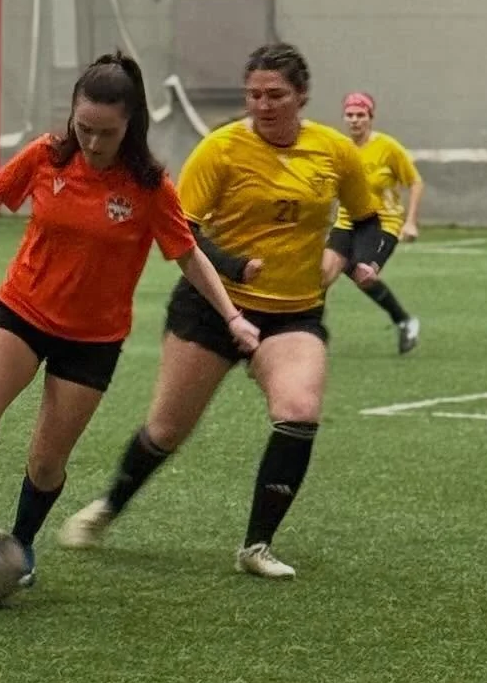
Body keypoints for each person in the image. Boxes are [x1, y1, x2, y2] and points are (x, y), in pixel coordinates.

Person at [0, 54, 262, 605]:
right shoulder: (46, 156)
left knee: (48, 462)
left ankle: (20, 546)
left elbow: (187, 254)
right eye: (84, 127)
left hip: (93, 341)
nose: (92, 142)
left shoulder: (149, 186)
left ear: (130, 125)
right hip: (22, 312)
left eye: (106, 133)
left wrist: (232, 315)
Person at [59, 42, 384, 582]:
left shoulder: (334, 151)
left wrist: (357, 257)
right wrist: (234, 267)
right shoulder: (220, 149)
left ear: (302, 96)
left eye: (276, 95)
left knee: (300, 410)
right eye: (254, 94)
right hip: (212, 309)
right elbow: (181, 233)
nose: (263, 105)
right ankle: (108, 506)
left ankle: (257, 545)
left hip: (293, 314)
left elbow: (365, 219)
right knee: (167, 430)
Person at [322, 91, 422, 354]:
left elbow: (414, 181)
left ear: (370, 117)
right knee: (322, 275)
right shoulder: (340, 148)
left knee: (364, 273)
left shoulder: (388, 147)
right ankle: (312, 332)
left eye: (360, 115)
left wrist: (410, 222)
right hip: (347, 221)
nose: (354, 120)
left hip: (383, 222)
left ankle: (404, 321)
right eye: (350, 115)